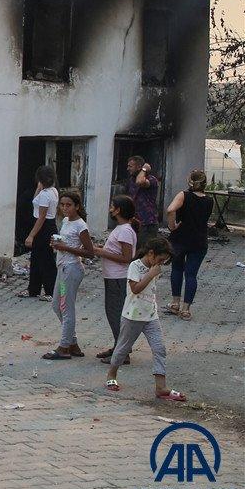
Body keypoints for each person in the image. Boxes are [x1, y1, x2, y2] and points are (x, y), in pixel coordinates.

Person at [105, 237, 187, 402]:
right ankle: (111, 373)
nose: (161, 263)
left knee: (159, 348)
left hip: (151, 315)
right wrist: (150, 275)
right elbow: (135, 289)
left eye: (164, 261)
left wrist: (152, 274)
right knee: (122, 349)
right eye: (160, 259)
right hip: (132, 316)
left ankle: (161, 387)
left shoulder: (154, 268)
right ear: (151, 253)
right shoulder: (135, 266)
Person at [42, 191, 96, 360]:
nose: (65, 208)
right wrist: (57, 244)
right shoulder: (65, 221)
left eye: (69, 205)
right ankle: (72, 343)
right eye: (62, 205)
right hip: (63, 268)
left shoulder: (81, 225)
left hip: (71, 269)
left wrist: (65, 248)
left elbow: (89, 252)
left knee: (65, 307)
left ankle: (64, 346)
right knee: (57, 305)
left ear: (77, 206)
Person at [91, 195, 137, 362]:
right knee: (113, 313)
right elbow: (116, 250)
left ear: (118, 210)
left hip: (118, 277)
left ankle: (122, 352)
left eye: (112, 206)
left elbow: (126, 258)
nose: (110, 209)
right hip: (112, 275)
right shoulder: (121, 229)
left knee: (115, 313)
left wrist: (100, 252)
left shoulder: (124, 230)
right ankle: (120, 346)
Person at [165, 170, 215, 321]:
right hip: (199, 241)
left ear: (189, 181)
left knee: (177, 269)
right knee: (191, 274)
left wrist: (172, 225)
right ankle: (186, 309)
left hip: (180, 238)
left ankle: (175, 303)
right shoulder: (210, 200)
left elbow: (170, 209)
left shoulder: (183, 195)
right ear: (205, 183)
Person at [19, 165, 59, 301]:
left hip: (44, 227)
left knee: (46, 261)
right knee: (36, 260)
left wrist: (31, 235)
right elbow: (35, 200)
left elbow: (41, 217)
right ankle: (33, 289)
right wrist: (39, 187)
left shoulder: (47, 195)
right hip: (46, 225)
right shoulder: (51, 191)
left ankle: (50, 290)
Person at [125, 156, 161, 238]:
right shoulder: (131, 180)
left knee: (144, 249)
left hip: (147, 222)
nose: (128, 169)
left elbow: (140, 182)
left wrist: (144, 169)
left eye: (130, 166)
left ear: (139, 167)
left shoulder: (151, 179)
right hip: (134, 221)